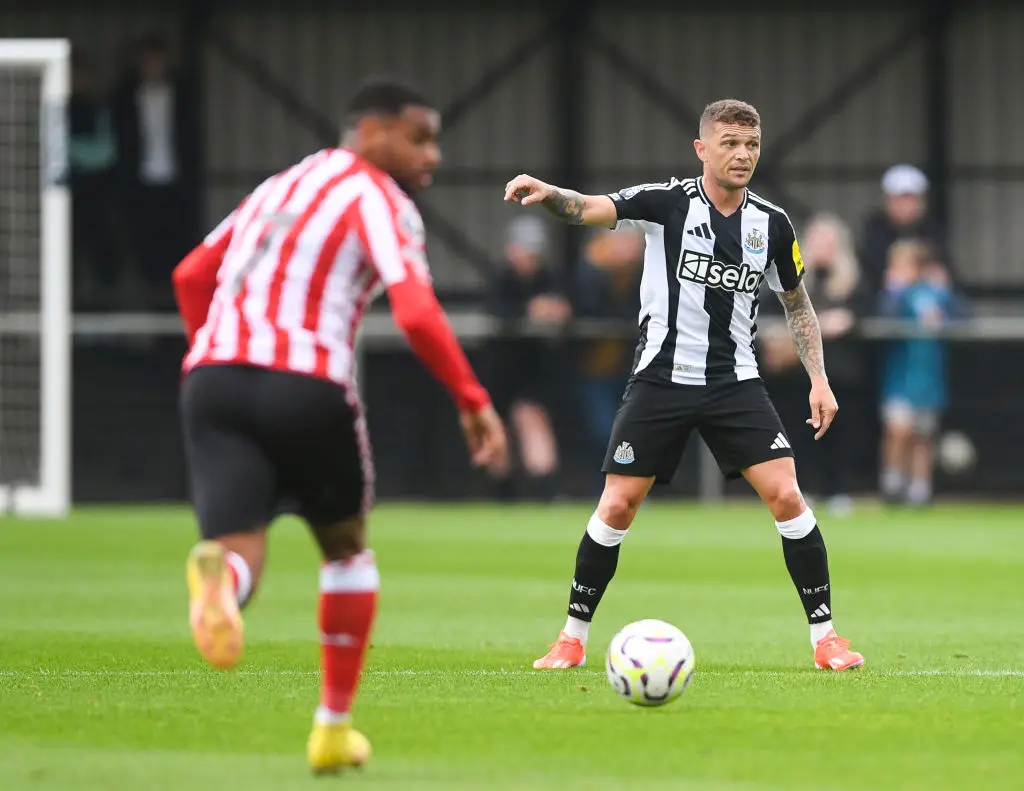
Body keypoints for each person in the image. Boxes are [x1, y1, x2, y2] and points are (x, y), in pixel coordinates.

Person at [172, 76, 507, 774]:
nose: (433, 156)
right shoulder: (378, 198)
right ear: (373, 132)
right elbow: (415, 312)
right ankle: (331, 727)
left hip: (212, 378)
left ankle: (222, 586)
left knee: (239, 546)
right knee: (347, 549)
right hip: (306, 382)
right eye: (419, 138)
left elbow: (190, 275)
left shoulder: (279, 186)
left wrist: (219, 350)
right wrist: (471, 397)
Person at [504, 98, 864, 673]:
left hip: (735, 384)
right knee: (618, 504)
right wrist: (550, 194)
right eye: (729, 143)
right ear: (702, 149)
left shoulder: (772, 224)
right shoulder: (666, 203)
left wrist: (818, 379)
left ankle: (827, 640)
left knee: (788, 497)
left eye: (751, 144)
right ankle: (571, 639)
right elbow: (591, 208)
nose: (742, 154)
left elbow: (798, 306)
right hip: (661, 381)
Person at [759, 211, 870, 516]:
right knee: (798, 431)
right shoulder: (790, 275)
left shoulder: (853, 282)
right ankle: (801, 488)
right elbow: (771, 315)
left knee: (839, 434)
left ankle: (837, 490)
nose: (824, 248)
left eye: (830, 242)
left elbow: (859, 316)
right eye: (819, 241)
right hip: (796, 375)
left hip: (840, 374)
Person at [483, 216, 571, 500]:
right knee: (496, 429)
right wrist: (529, 310)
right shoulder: (500, 278)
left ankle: (545, 492)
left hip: (533, 369)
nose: (529, 259)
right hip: (498, 369)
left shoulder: (549, 278)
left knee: (532, 420)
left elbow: (567, 306)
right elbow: (497, 312)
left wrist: (557, 310)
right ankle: (501, 491)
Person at [877, 239, 958, 507]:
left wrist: (945, 290)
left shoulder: (934, 292)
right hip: (900, 377)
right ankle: (892, 482)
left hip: (928, 378)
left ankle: (920, 490)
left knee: (922, 436)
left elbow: (962, 314)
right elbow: (883, 318)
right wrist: (894, 293)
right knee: (898, 430)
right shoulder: (894, 295)